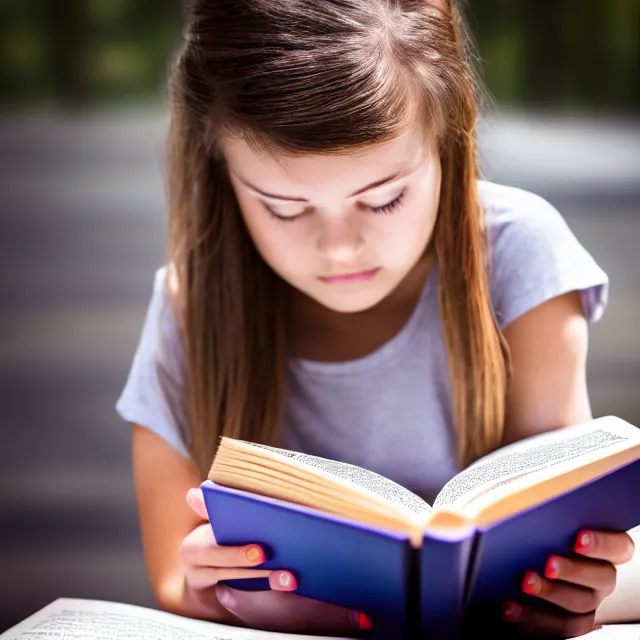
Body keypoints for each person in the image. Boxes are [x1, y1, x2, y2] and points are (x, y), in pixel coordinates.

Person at [116, 0, 638, 636]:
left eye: (385, 199)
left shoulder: (518, 254)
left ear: (450, 141)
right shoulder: (189, 304)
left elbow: (568, 539)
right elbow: (173, 573)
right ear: (222, 171)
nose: (339, 249)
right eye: (283, 208)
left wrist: (580, 592)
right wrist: (204, 590)